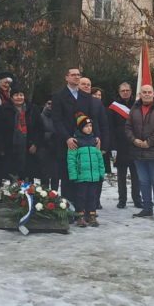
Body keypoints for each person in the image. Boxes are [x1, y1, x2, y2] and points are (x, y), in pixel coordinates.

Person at [50, 68, 101, 205]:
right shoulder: (58, 96)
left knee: (83, 175)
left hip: (85, 141)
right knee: (68, 176)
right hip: (66, 141)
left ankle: (82, 208)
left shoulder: (86, 97)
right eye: (73, 75)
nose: (76, 77)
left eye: (78, 75)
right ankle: (69, 207)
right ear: (67, 77)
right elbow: (57, 120)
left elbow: (93, 117)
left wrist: (96, 135)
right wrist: (66, 137)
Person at [124, 85, 154, 223]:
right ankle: (147, 208)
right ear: (140, 94)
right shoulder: (135, 108)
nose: (147, 94)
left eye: (149, 92)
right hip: (138, 151)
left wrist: (148, 142)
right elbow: (128, 127)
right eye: (144, 92)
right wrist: (135, 141)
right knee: (143, 182)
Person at [0, 87, 43, 182]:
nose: (19, 97)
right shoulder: (4, 109)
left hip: (28, 149)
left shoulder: (32, 109)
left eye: (21, 95)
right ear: (11, 98)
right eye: (16, 95)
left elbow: (39, 129)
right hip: (9, 148)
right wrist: (1, 148)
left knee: (27, 177)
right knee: (11, 177)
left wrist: (35, 144)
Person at [68, 113, 105, 227]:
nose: (89, 128)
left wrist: (101, 173)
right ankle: (80, 216)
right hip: (81, 175)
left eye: (90, 126)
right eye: (86, 126)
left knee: (92, 195)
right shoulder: (76, 142)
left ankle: (91, 215)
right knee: (81, 196)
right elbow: (71, 160)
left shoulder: (95, 141)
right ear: (80, 128)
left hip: (93, 176)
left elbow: (99, 159)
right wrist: (73, 175)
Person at [109, 82, 141, 209]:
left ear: (131, 91)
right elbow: (110, 128)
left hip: (135, 144)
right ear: (119, 92)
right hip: (120, 145)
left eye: (127, 90)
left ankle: (137, 199)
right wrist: (113, 147)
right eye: (123, 91)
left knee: (136, 175)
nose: (125, 93)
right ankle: (122, 199)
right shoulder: (113, 107)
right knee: (121, 175)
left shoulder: (138, 105)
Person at [79, 78, 109, 209]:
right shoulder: (74, 101)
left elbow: (104, 125)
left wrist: (105, 145)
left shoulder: (97, 103)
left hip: (96, 144)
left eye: (88, 85)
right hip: (79, 144)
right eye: (83, 84)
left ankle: (95, 200)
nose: (86, 86)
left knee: (96, 174)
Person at [37, 99, 59, 189]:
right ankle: (44, 197)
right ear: (46, 104)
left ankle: (55, 196)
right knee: (44, 176)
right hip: (45, 148)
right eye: (49, 103)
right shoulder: (40, 116)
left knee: (56, 176)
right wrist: (50, 136)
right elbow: (38, 132)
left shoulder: (59, 117)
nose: (51, 106)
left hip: (57, 149)